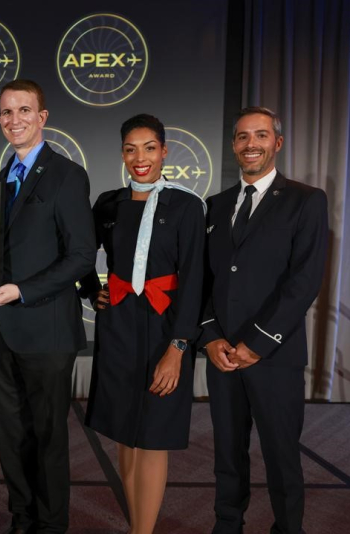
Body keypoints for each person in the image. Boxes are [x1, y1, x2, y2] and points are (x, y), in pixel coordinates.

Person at [200, 107, 328, 534]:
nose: (250, 144)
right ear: (233, 145)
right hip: (222, 355)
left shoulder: (306, 200)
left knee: (281, 456)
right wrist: (210, 338)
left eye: (260, 135)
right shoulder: (215, 206)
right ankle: (227, 525)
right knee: (227, 454)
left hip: (274, 355)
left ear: (278, 142)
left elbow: (304, 281)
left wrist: (257, 343)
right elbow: (205, 281)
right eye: (242, 136)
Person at [0, 79, 96, 533]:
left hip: (47, 330)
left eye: (24, 110)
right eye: (7, 112)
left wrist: (22, 291)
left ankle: (50, 525)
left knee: (48, 437)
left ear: (42, 117)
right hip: (1, 331)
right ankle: (22, 518)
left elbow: (81, 256)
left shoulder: (67, 175)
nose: (15, 120)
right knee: (11, 436)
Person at [81, 114, 206, 534]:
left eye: (149, 147)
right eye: (131, 149)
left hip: (165, 329)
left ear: (164, 151)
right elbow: (80, 252)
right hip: (118, 326)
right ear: (122, 153)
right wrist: (90, 289)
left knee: (152, 436)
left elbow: (195, 282)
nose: (140, 157)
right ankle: (137, 525)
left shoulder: (186, 205)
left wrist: (178, 347)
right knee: (124, 433)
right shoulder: (108, 203)